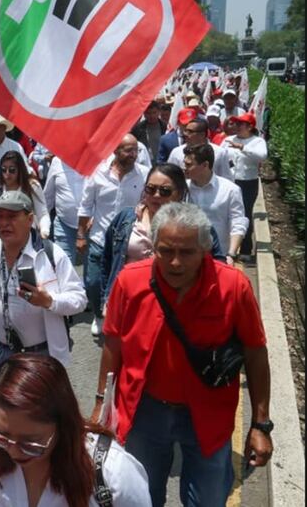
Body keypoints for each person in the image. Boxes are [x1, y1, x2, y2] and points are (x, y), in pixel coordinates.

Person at [93, 203, 273, 507]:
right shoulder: (129, 281)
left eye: (187, 253)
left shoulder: (233, 287)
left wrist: (260, 425)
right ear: (153, 246)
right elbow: (114, 345)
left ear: (205, 249)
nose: (175, 262)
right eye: (165, 251)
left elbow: (256, 354)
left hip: (208, 415)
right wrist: (102, 404)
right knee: (138, 499)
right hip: (143, 414)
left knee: (208, 500)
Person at [0, 354, 151, 507]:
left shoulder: (113, 474)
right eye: (1, 436)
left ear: (63, 425)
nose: (13, 451)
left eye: (31, 443)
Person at [0, 191, 87, 391]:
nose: (4, 223)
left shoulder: (51, 255)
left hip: (38, 357)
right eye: (0, 216)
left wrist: (49, 301)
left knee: (36, 415)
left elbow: (79, 300)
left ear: (30, 219)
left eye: (12, 216)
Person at [99, 164, 228, 315]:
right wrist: (107, 299)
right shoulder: (125, 219)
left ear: (179, 193)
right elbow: (107, 260)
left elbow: (217, 263)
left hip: (177, 305)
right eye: (150, 189)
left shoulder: (196, 225)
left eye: (165, 191)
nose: (156, 195)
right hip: (128, 302)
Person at [77, 134, 147, 336]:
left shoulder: (143, 175)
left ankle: (120, 318)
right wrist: (81, 235)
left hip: (127, 242)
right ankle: (99, 314)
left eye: (136, 150)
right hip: (99, 239)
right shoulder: (98, 173)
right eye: (128, 150)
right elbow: (86, 207)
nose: (133, 154)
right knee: (93, 282)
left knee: (122, 284)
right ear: (115, 151)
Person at [183, 144, 248, 266]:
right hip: (187, 257)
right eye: (184, 163)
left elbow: (238, 222)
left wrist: (231, 254)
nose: (184, 168)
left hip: (219, 257)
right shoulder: (181, 189)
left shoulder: (230, 190)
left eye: (189, 165)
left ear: (205, 165)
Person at [220, 113, 267, 258]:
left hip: (247, 182)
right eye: (236, 124)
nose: (237, 127)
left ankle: (246, 249)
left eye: (241, 124)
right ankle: (227, 247)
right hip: (229, 181)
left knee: (245, 214)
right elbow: (220, 156)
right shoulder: (228, 139)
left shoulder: (257, 141)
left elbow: (262, 156)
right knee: (226, 213)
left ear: (250, 127)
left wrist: (242, 148)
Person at [0, 150, 50, 239]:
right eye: (3, 170)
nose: (7, 174)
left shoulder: (32, 187)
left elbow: (42, 213)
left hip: (26, 239)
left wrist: (44, 231)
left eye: (12, 170)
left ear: (20, 170)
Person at [43, 156, 86, 265]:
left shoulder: (95, 160)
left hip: (90, 226)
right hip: (64, 225)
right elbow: (48, 196)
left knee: (92, 277)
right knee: (62, 267)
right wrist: (42, 222)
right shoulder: (57, 162)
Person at [167, 118, 232, 180]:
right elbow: (169, 175)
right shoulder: (176, 152)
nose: (185, 134)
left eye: (190, 131)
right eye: (185, 130)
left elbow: (226, 177)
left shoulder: (220, 153)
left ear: (202, 134)